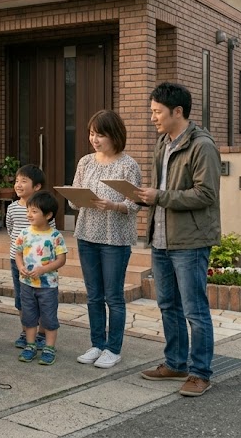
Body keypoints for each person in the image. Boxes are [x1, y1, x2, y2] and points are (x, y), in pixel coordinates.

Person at [134, 82, 221, 397]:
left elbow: (206, 193)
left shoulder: (202, 145)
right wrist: (145, 197)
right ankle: (175, 363)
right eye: (152, 111)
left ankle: (200, 373)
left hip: (190, 241)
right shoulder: (163, 142)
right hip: (161, 238)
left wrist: (160, 195)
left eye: (157, 112)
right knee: (167, 304)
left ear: (178, 111)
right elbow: (163, 190)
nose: (152, 117)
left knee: (194, 309)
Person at [70, 110, 141, 369]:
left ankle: (113, 348)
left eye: (100, 134)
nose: (94, 139)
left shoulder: (128, 165)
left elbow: (135, 204)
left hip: (115, 238)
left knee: (113, 296)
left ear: (114, 135)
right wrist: (77, 199)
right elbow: (74, 196)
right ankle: (97, 344)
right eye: (91, 134)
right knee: (94, 295)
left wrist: (114, 205)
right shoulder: (86, 162)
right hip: (86, 234)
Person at [14, 190, 67, 365]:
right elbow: (18, 254)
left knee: (48, 317)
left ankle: (49, 347)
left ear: (48, 214)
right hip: (27, 284)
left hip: (47, 286)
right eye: (28, 210)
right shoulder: (24, 233)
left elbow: (61, 260)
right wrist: (21, 267)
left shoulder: (55, 236)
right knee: (28, 316)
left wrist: (43, 270)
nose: (29, 214)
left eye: (34, 211)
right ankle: (30, 345)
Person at [5, 164, 55, 350]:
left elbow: (52, 234)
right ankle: (27, 331)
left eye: (24, 181)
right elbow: (11, 231)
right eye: (17, 181)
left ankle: (41, 334)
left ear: (37, 187)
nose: (18, 185)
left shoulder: (45, 208)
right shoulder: (11, 209)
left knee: (42, 298)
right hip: (17, 260)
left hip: (41, 262)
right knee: (22, 298)